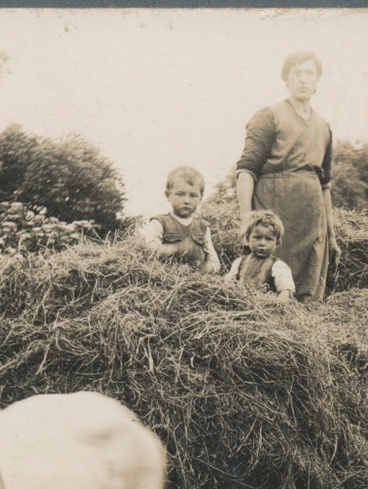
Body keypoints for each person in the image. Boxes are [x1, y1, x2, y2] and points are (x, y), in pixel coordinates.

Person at [235, 50, 338, 302]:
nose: (303, 79)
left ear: (317, 82)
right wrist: (246, 220)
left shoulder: (324, 127)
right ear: (286, 79)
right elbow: (246, 170)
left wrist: (331, 234)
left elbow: (324, 185)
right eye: (297, 73)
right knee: (267, 278)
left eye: (309, 73)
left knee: (306, 285)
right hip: (274, 209)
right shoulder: (268, 116)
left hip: (311, 218)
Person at [139, 165, 221, 273]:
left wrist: (205, 270)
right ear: (168, 195)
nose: (186, 200)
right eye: (180, 194)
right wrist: (177, 248)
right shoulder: (159, 222)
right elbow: (149, 251)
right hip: (165, 281)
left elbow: (214, 261)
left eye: (193, 195)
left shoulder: (203, 227)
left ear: (200, 197)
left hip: (196, 283)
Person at [226, 210, 296, 299]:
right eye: (257, 238)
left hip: (264, 309)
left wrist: (277, 304)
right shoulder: (239, 262)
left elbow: (285, 292)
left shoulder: (279, 267)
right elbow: (228, 286)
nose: (262, 243)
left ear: (277, 242)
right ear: (247, 239)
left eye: (268, 239)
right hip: (239, 305)